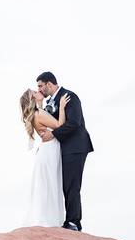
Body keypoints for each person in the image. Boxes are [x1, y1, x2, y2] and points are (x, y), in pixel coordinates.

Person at [36, 71, 94, 231]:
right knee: (64, 184)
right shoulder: (51, 102)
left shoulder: (70, 96)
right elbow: (51, 121)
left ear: (49, 84)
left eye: (41, 86)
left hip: (75, 147)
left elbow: (74, 123)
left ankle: (74, 222)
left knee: (72, 184)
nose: (40, 89)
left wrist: (53, 134)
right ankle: (68, 220)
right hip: (62, 149)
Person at [20, 88, 70, 226]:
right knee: (51, 184)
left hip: (47, 150)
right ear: (32, 99)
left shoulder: (38, 113)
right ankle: (50, 220)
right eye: (34, 92)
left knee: (47, 185)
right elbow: (59, 125)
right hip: (50, 150)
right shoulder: (39, 114)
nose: (38, 91)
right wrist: (62, 106)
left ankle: (48, 218)